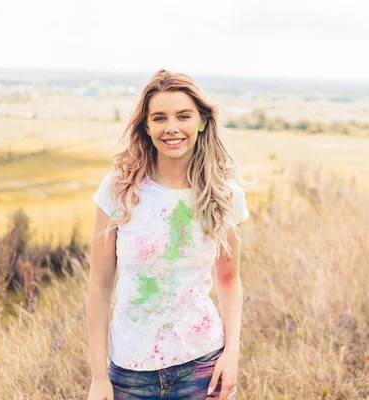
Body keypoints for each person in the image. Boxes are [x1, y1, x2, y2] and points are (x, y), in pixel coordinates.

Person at [86, 69, 250, 400]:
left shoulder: (226, 195)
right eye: (159, 118)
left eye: (183, 116)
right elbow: (99, 285)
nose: (172, 127)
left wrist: (231, 355)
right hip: (130, 374)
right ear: (146, 127)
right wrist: (98, 376)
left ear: (202, 120)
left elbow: (229, 280)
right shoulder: (118, 191)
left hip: (202, 367)